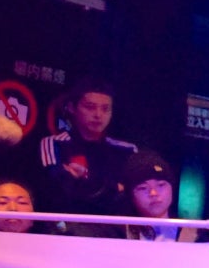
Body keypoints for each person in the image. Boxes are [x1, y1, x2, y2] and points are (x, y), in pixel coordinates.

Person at [27, 76, 137, 216]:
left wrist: (83, 177)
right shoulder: (55, 144)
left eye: (105, 109)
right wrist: (115, 187)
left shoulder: (126, 150)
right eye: (90, 107)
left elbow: (134, 196)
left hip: (115, 226)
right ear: (72, 107)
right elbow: (58, 192)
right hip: (68, 225)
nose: (98, 115)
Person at [117, 149, 200, 242]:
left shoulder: (197, 234)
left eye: (161, 185)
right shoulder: (116, 234)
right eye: (143, 188)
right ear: (131, 195)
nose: (153, 193)